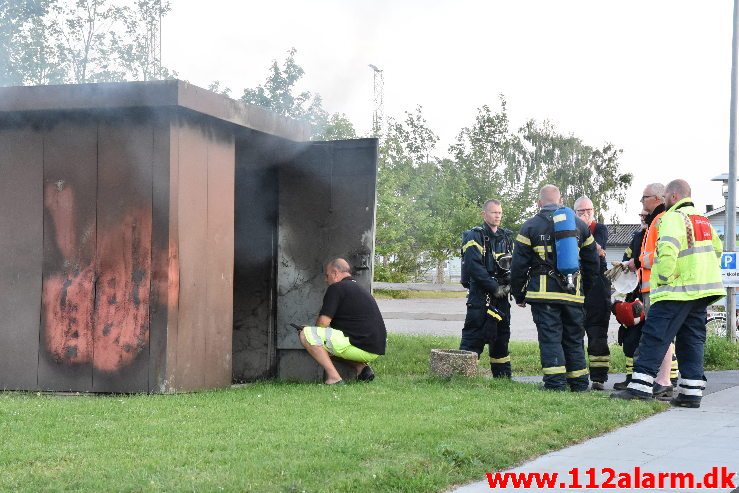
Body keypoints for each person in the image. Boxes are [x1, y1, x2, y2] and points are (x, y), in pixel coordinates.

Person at [611, 179, 724, 407]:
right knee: (691, 340)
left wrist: (663, 279)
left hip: (676, 290)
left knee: (654, 336)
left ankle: (640, 386)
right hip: (702, 291)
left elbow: (667, 250)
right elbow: (717, 250)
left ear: (672, 196)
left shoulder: (673, 217)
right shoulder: (702, 219)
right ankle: (690, 393)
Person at [510, 185, 599, 391]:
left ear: (539, 203)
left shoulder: (530, 226)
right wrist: (585, 288)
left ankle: (555, 383)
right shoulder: (580, 225)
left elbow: (518, 265)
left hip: (543, 295)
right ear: (561, 201)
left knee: (550, 338)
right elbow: (592, 262)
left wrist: (519, 293)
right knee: (574, 338)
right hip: (573, 294)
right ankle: (578, 383)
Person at [624, 183, 678, 396]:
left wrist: (639, 261)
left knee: (659, 334)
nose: (642, 202)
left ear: (657, 198)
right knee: (661, 334)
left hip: (658, 287)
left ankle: (662, 380)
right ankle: (662, 379)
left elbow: (661, 255)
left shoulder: (662, 219)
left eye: (644, 197)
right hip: (651, 287)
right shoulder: (656, 220)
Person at [299, 258, 387, 384]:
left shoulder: (337, 288)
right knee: (324, 344)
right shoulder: (357, 288)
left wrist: (311, 332)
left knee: (306, 335)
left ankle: (334, 378)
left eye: (327, 275)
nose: (326, 279)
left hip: (360, 346)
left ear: (335, 273)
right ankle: (361, 368)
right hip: (374, 347)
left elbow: (323, 323)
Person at [460, 199, 515, 377]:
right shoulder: (474, 236)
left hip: (502, 298)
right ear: (484, 214)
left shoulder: (506, 237)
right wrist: (494, 287)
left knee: (501, 337)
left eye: (499, 212)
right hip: (480, 296)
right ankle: (461, 377)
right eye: (493, 212)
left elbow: (513, 263)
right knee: (473, 336)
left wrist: (510, 284)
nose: (497, 216)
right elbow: (474, 266)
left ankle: (503, 378)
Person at [574, 196, 612, 390]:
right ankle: (577, 374)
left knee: (598, 332)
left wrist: (588, 239)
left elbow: (598, 249)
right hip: (578, 285)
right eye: (580, 211)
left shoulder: (600, 228)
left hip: (598, 285)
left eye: (588, 210)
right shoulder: (570, 230)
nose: (584, 214)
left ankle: (598, 377)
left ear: (593, 210)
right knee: (575, 331)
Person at [612, 209, 649, 390]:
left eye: (645, 215)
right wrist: (623, 266)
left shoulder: (657, 236)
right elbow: (627, 259)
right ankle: (630, 378)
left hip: (652, 294)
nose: (642, 218)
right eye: (640, 215)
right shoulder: (637, 237)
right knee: (630, 337)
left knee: (657, 339)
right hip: (634, 293)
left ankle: (668, 379)